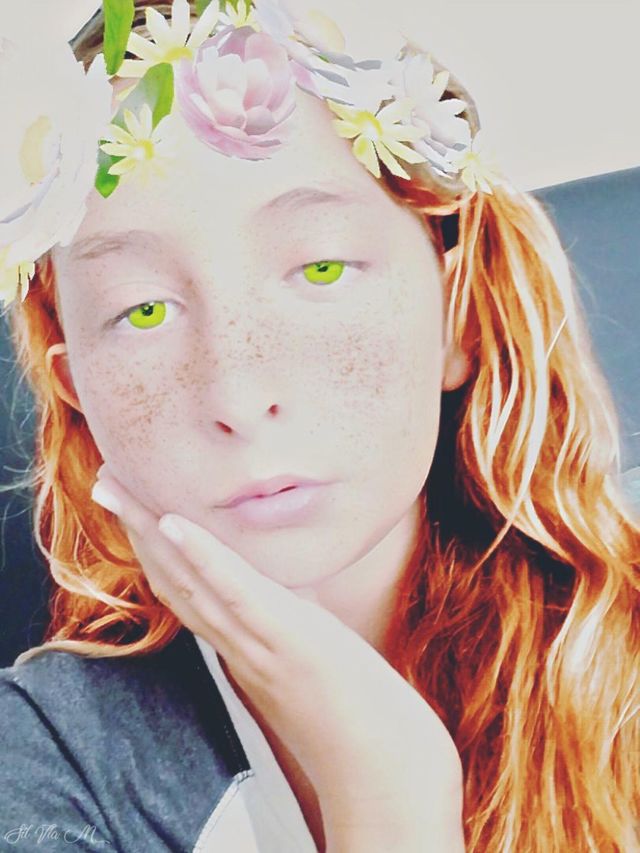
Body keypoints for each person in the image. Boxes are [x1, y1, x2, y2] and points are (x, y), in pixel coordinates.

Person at [0, 1, 638, 851]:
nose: (238, 390)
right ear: (73, 383)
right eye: (142, 309)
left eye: (323, 266)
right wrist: (384, 786)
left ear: (457, 315)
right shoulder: (45, 762)